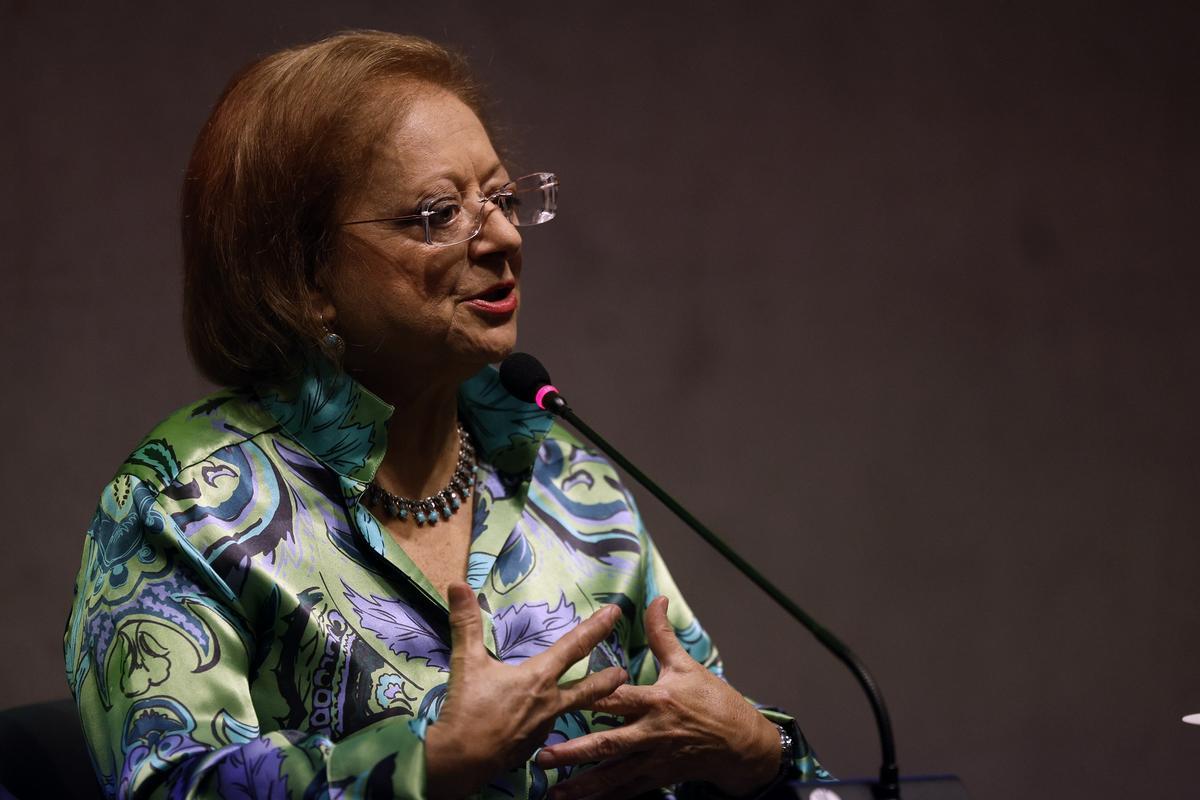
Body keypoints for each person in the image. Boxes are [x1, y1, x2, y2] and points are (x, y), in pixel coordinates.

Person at [64, 30, 827, 800]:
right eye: (437, 214)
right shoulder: (184, 503)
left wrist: (761, 754)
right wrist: (427, 767)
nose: (501, 237)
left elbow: (697, 727)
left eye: (502, 200)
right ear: (304, 276)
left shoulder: (572, 485)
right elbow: (170, 786)